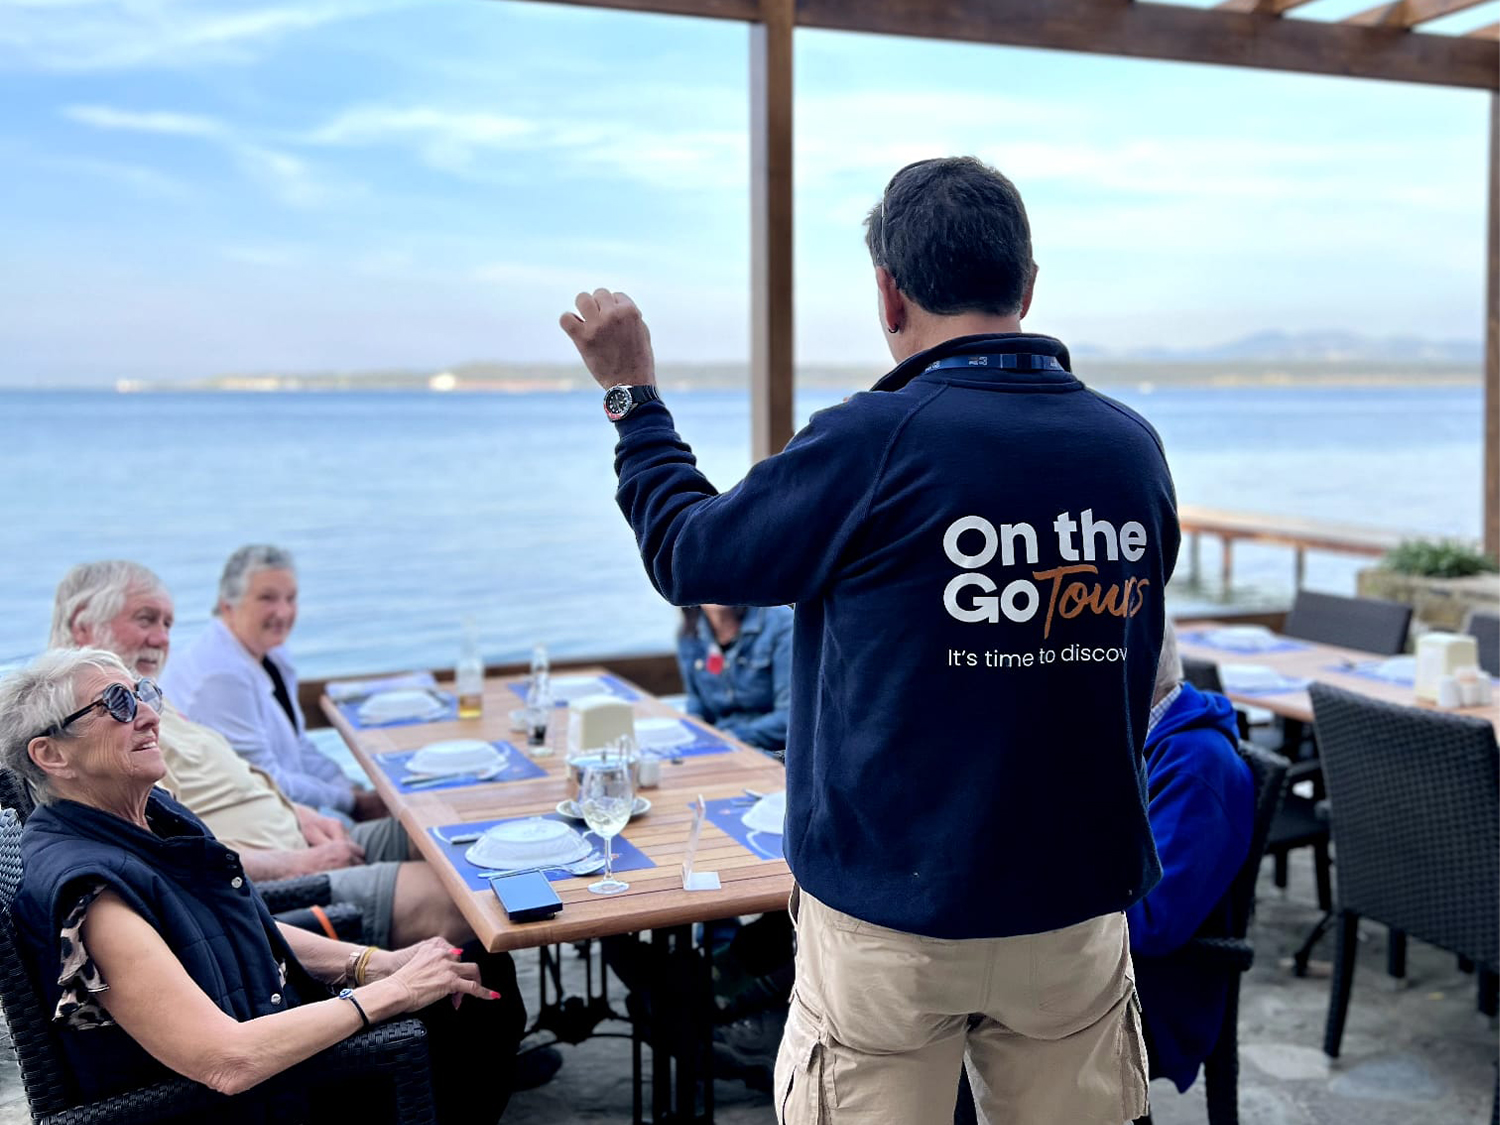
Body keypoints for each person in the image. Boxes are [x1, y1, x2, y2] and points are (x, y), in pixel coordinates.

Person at [561, 155, 1178, 1123]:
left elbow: (689, 553)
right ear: (1027, 285)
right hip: (1075, 904)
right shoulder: (1129, 448)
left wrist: (632, 395)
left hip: (895, 916)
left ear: (888, 294)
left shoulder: (876, 438)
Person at [0, 648, 524, 1123]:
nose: (149, 714)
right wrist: (393, 993)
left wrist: (372, 962)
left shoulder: (153, 820)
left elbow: (236, 921)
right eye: (116, 703)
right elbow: (226, 1061)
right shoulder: (94, 898)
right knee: (472, 1011)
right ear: (51, 756)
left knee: (473, 970)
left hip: (277, 1028)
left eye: (143, 693)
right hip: (253, 1096)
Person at [49, 560, 477, 950]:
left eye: (167, 623)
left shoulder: (147, 698)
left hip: (301, 840)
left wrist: (304, 815)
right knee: (460, 897)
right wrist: (299, 863)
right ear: (83, 626)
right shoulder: (99, 728)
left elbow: (236, 779)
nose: (162, 639)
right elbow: (171, 858)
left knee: (453, 829)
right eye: (146, 620)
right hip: (274, 888)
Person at [162, 545, 385, 821]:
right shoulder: (221, 676)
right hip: (259, 828)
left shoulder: (271, 654)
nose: (283, 612)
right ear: (227, 605)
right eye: (267, 598)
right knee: (412, 834)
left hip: (291, 813)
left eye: (290, 598)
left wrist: (349, 787)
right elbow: (265, 779)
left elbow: (299, 745)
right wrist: (350, 801)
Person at [1127, 621, 1255, 1093]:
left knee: (967, 1018)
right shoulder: (1135, 738)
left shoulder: (1196, 766)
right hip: (1118, 972)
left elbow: (1153, 925)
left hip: (1156, 1001)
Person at [677, 604, 793, 757]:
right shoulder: (690, 633)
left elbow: (790, 716)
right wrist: (693, 731)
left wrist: (730, 737)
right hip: (723, 746)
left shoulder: (780, 621)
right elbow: (696, 701)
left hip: (775, 751)